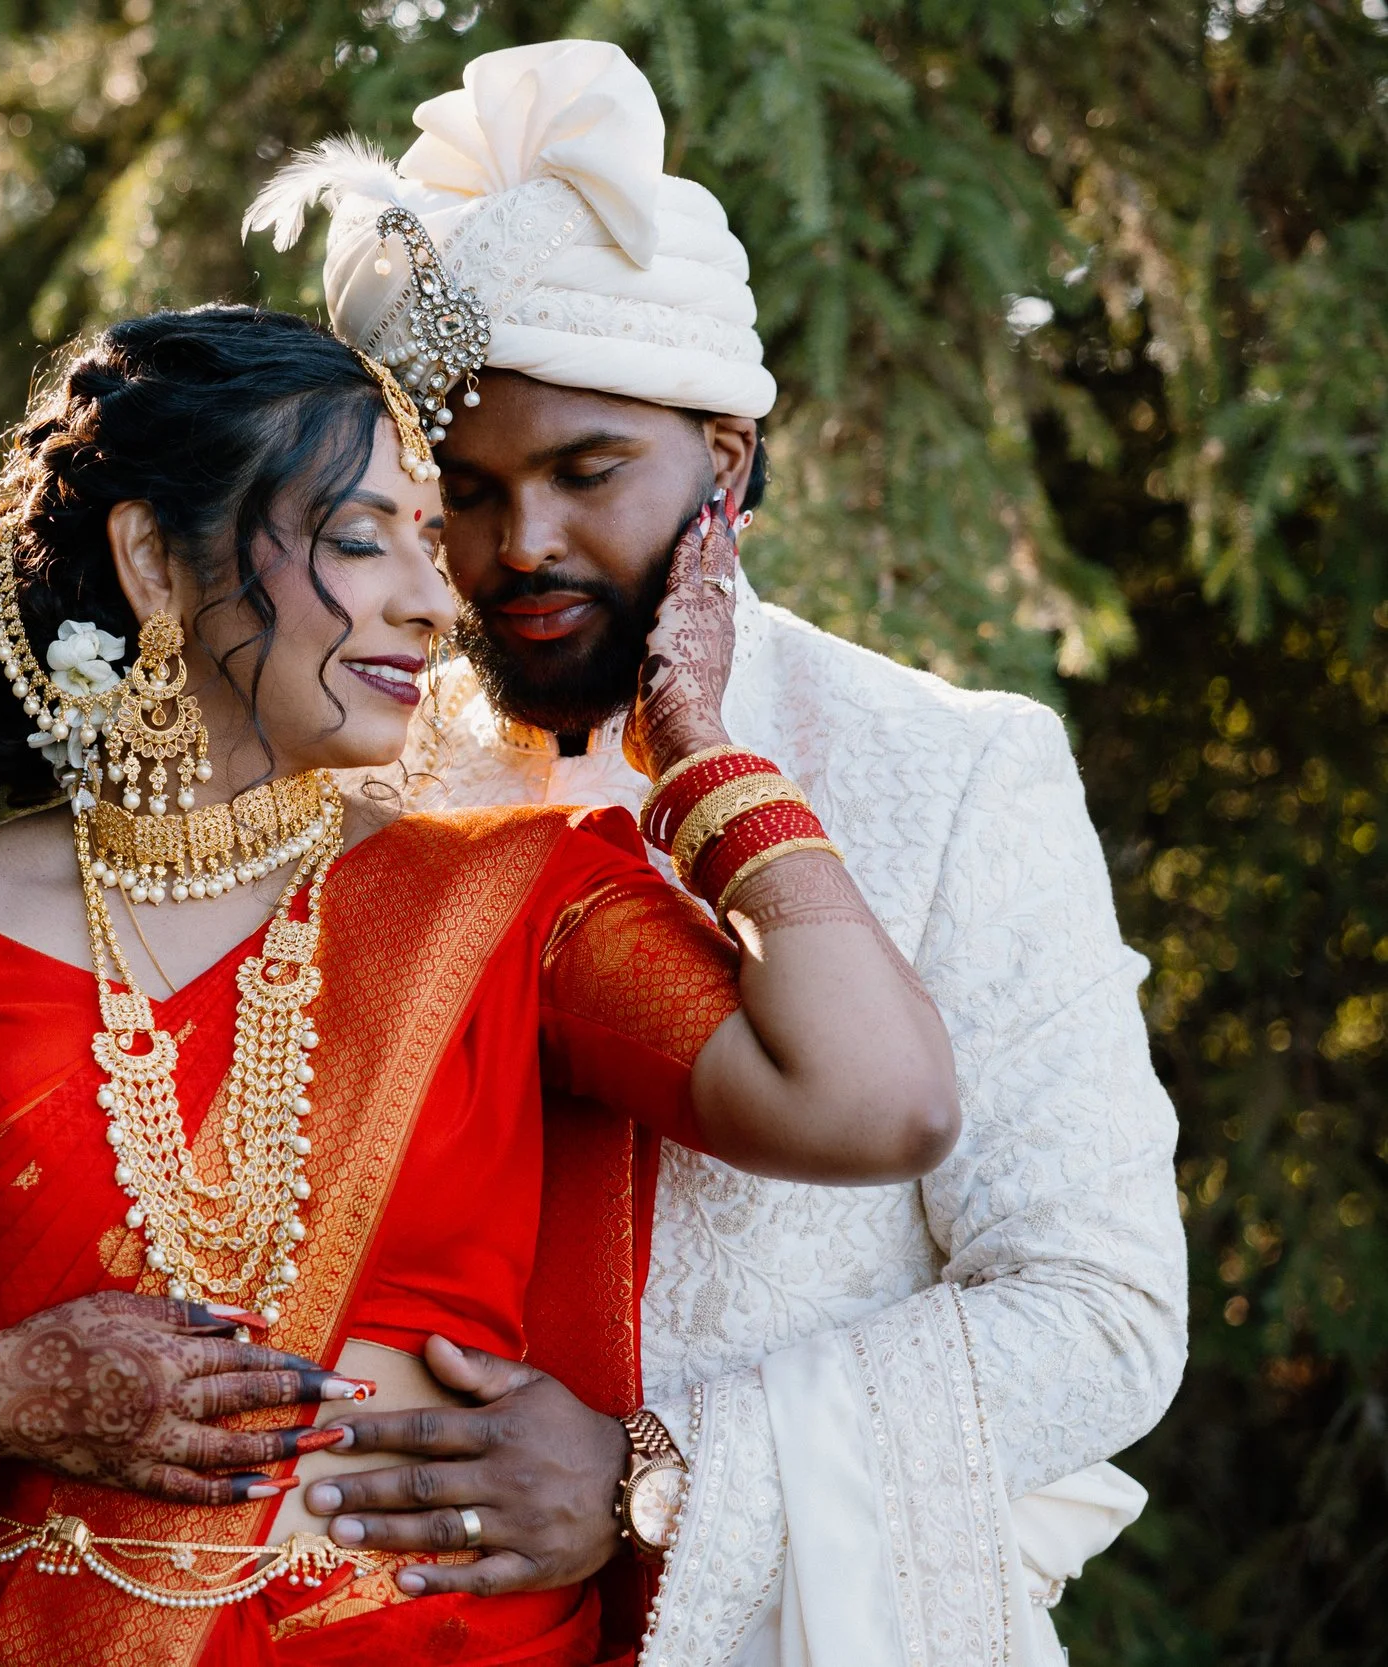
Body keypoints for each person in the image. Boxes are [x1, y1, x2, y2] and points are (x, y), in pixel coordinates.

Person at [0, 304, 959, 1666]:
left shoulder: (515, 900)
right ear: (153, 564)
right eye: (362, 537)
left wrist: (695, 747)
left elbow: (881, 1100)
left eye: (428, 536)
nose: (433, 596)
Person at [245, 39, 1187, 1666]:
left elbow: (1099, 1317)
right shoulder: (356, 785)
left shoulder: (950, 771)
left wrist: (649, 1475)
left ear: (724, 466)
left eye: (587, 471)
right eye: (461, 492)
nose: (519, 542)